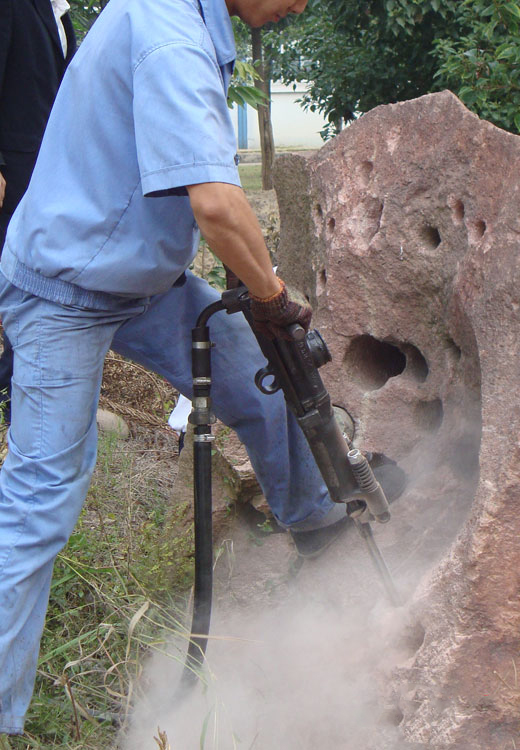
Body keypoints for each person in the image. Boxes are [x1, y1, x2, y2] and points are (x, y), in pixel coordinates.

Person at [0, 0, 404, 736]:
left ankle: (313, 514)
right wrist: (272, 296)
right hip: (64, 288)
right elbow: (217, 205)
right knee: (40, 500)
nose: (301, 6)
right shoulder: (169, 34)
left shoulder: (188, 23)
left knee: (264, 372)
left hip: (138, 280)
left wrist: (268, 313)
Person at [0, 0, 77, 422]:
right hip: (11, 177)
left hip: (45, 181)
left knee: (29, 292)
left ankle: (20, 410)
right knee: (17, 292)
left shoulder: (59, 10)